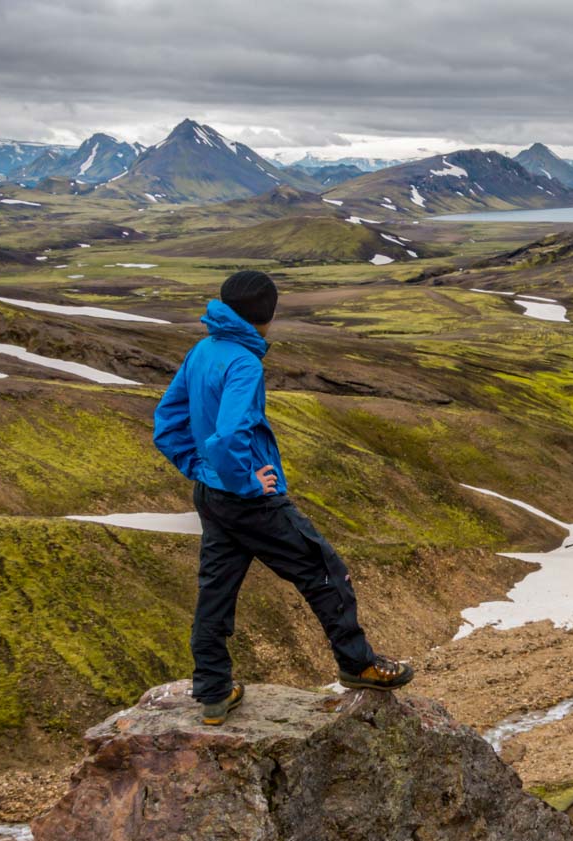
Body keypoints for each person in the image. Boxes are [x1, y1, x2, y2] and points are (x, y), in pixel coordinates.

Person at [152, 270, 413, 725]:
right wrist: (249, 484)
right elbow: (230, 434)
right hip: (249, 501)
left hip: (211, 495)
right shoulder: (245, 362)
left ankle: (214, 693)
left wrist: (201, 471)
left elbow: (168, 422)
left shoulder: (204, 349)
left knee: (215, 592)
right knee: (324, 569)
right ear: (265, 315)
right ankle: (357, 665)